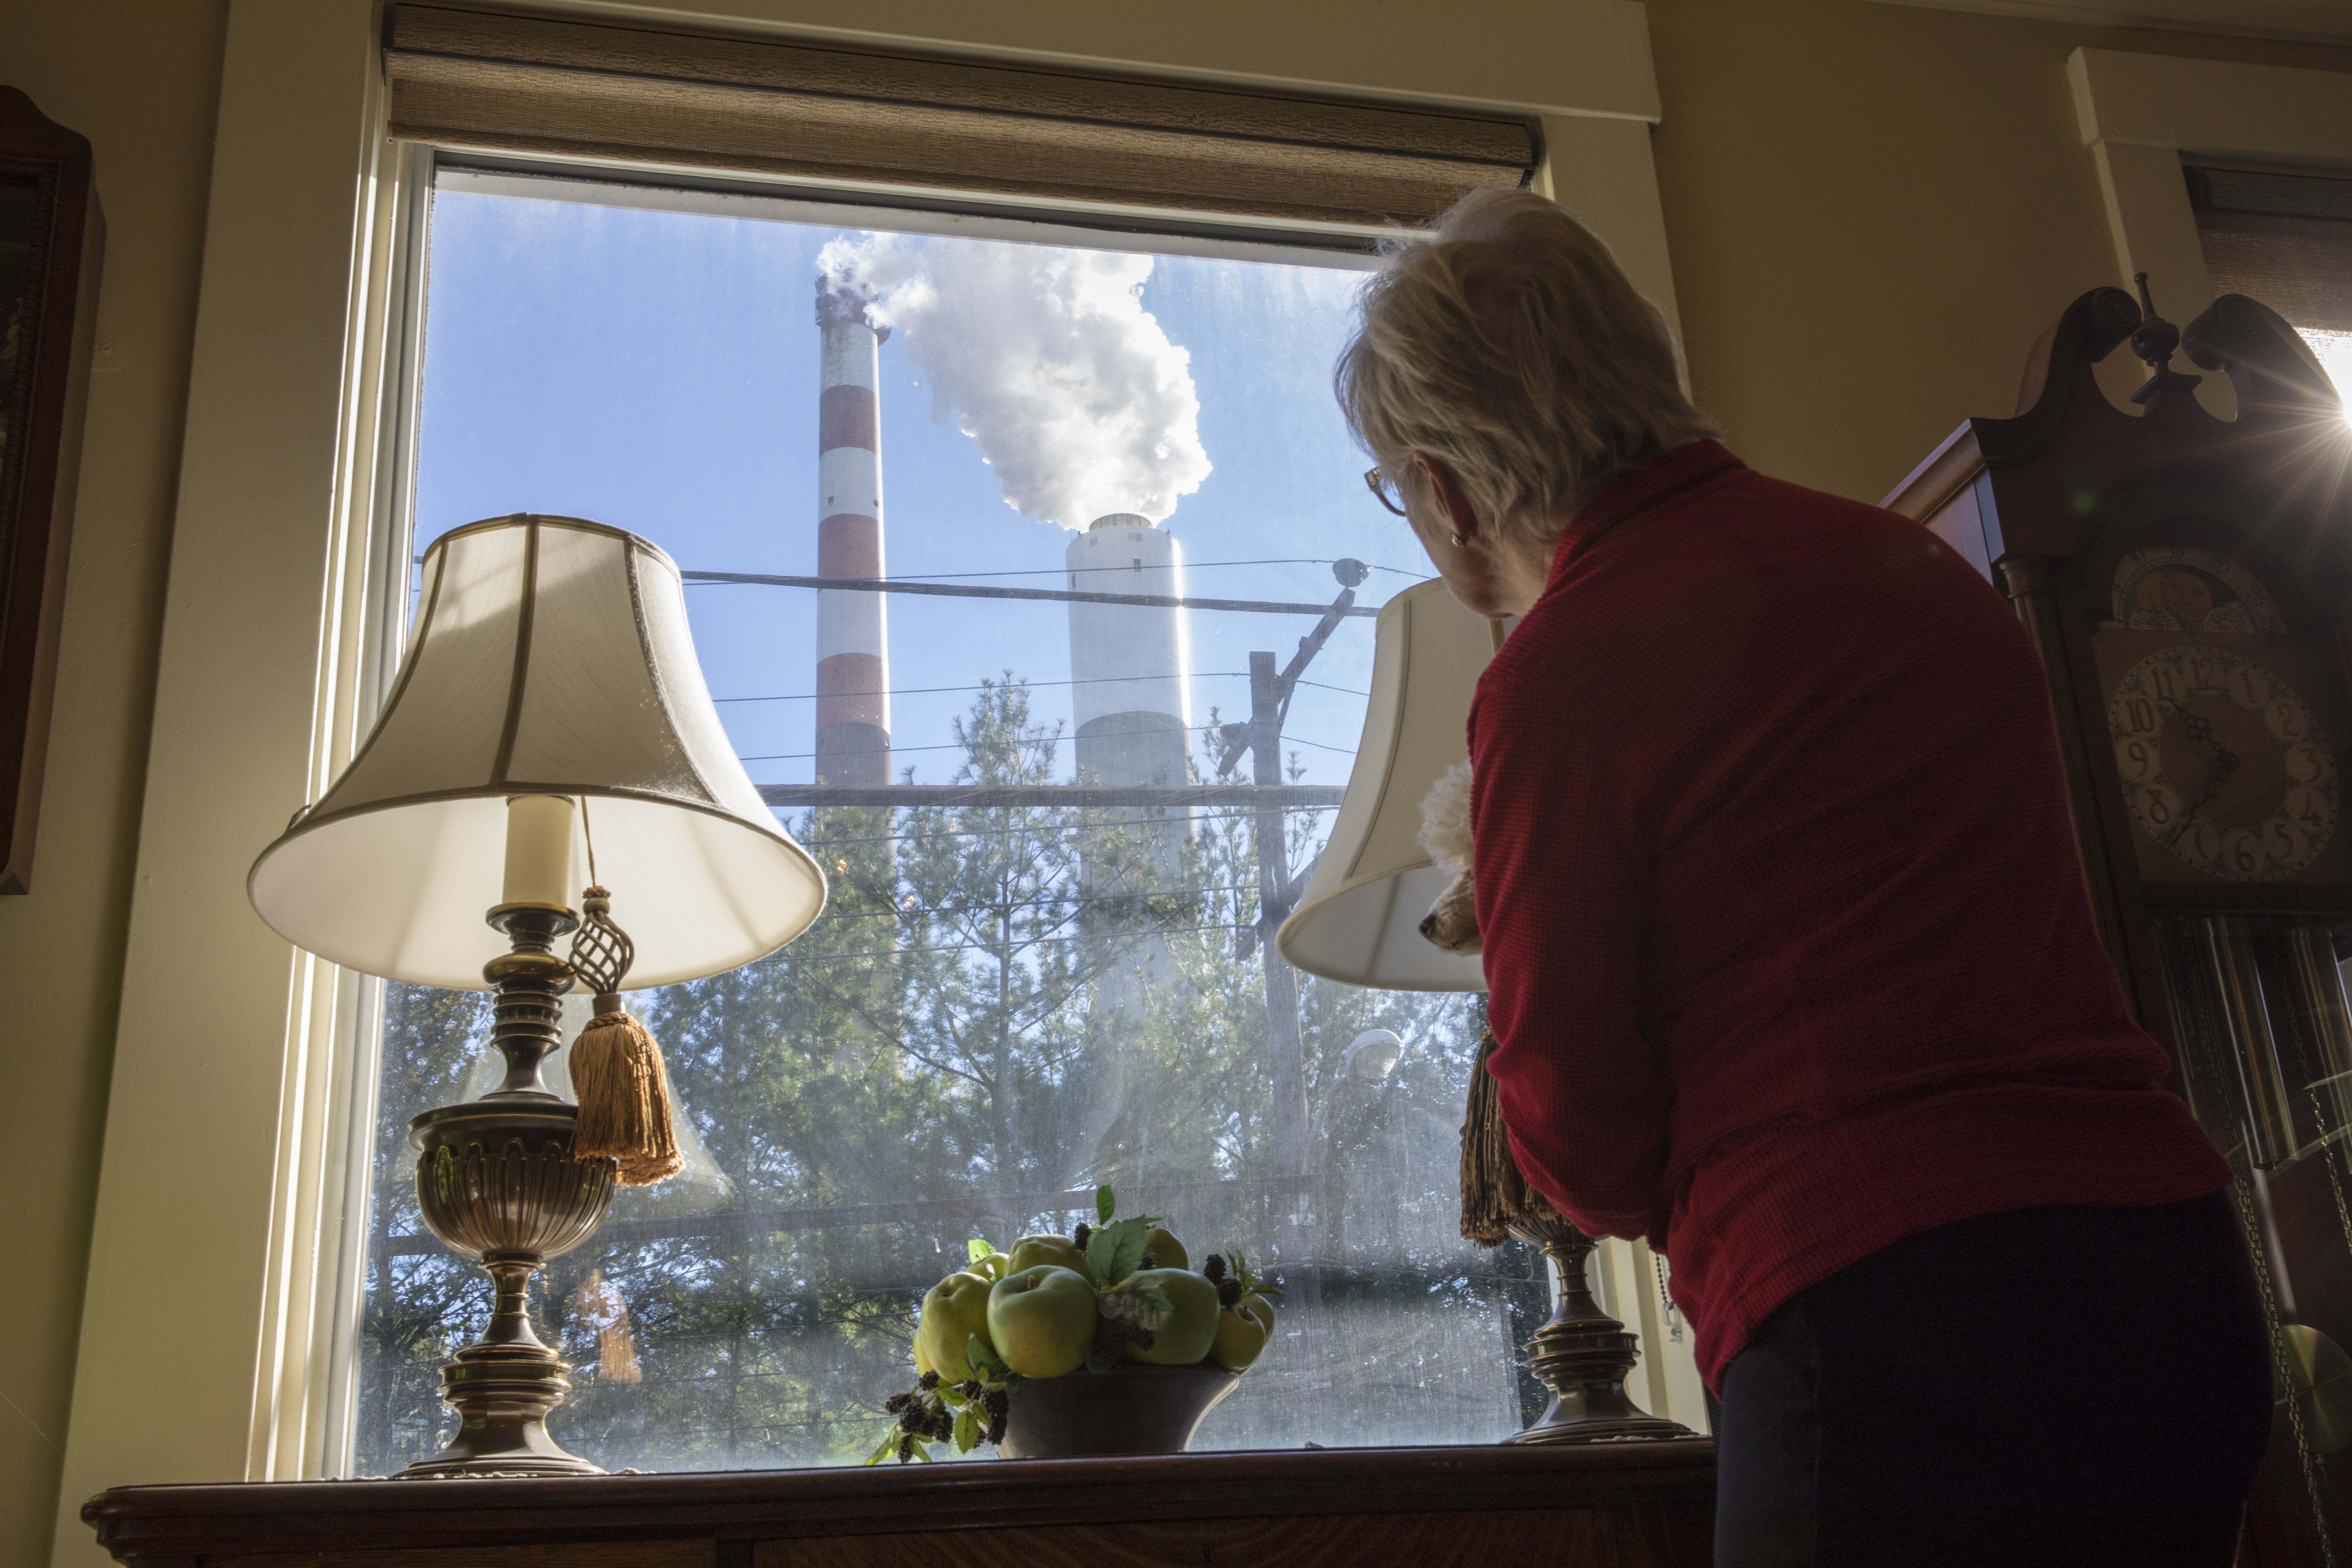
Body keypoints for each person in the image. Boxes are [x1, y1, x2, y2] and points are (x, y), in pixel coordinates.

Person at [1334, 188, 2271, 1567]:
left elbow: (1586, 1154)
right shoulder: (1915, 569)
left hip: (1892, 1317)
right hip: (2173, 1277)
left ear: (1447, 488)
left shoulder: (1560, 676)